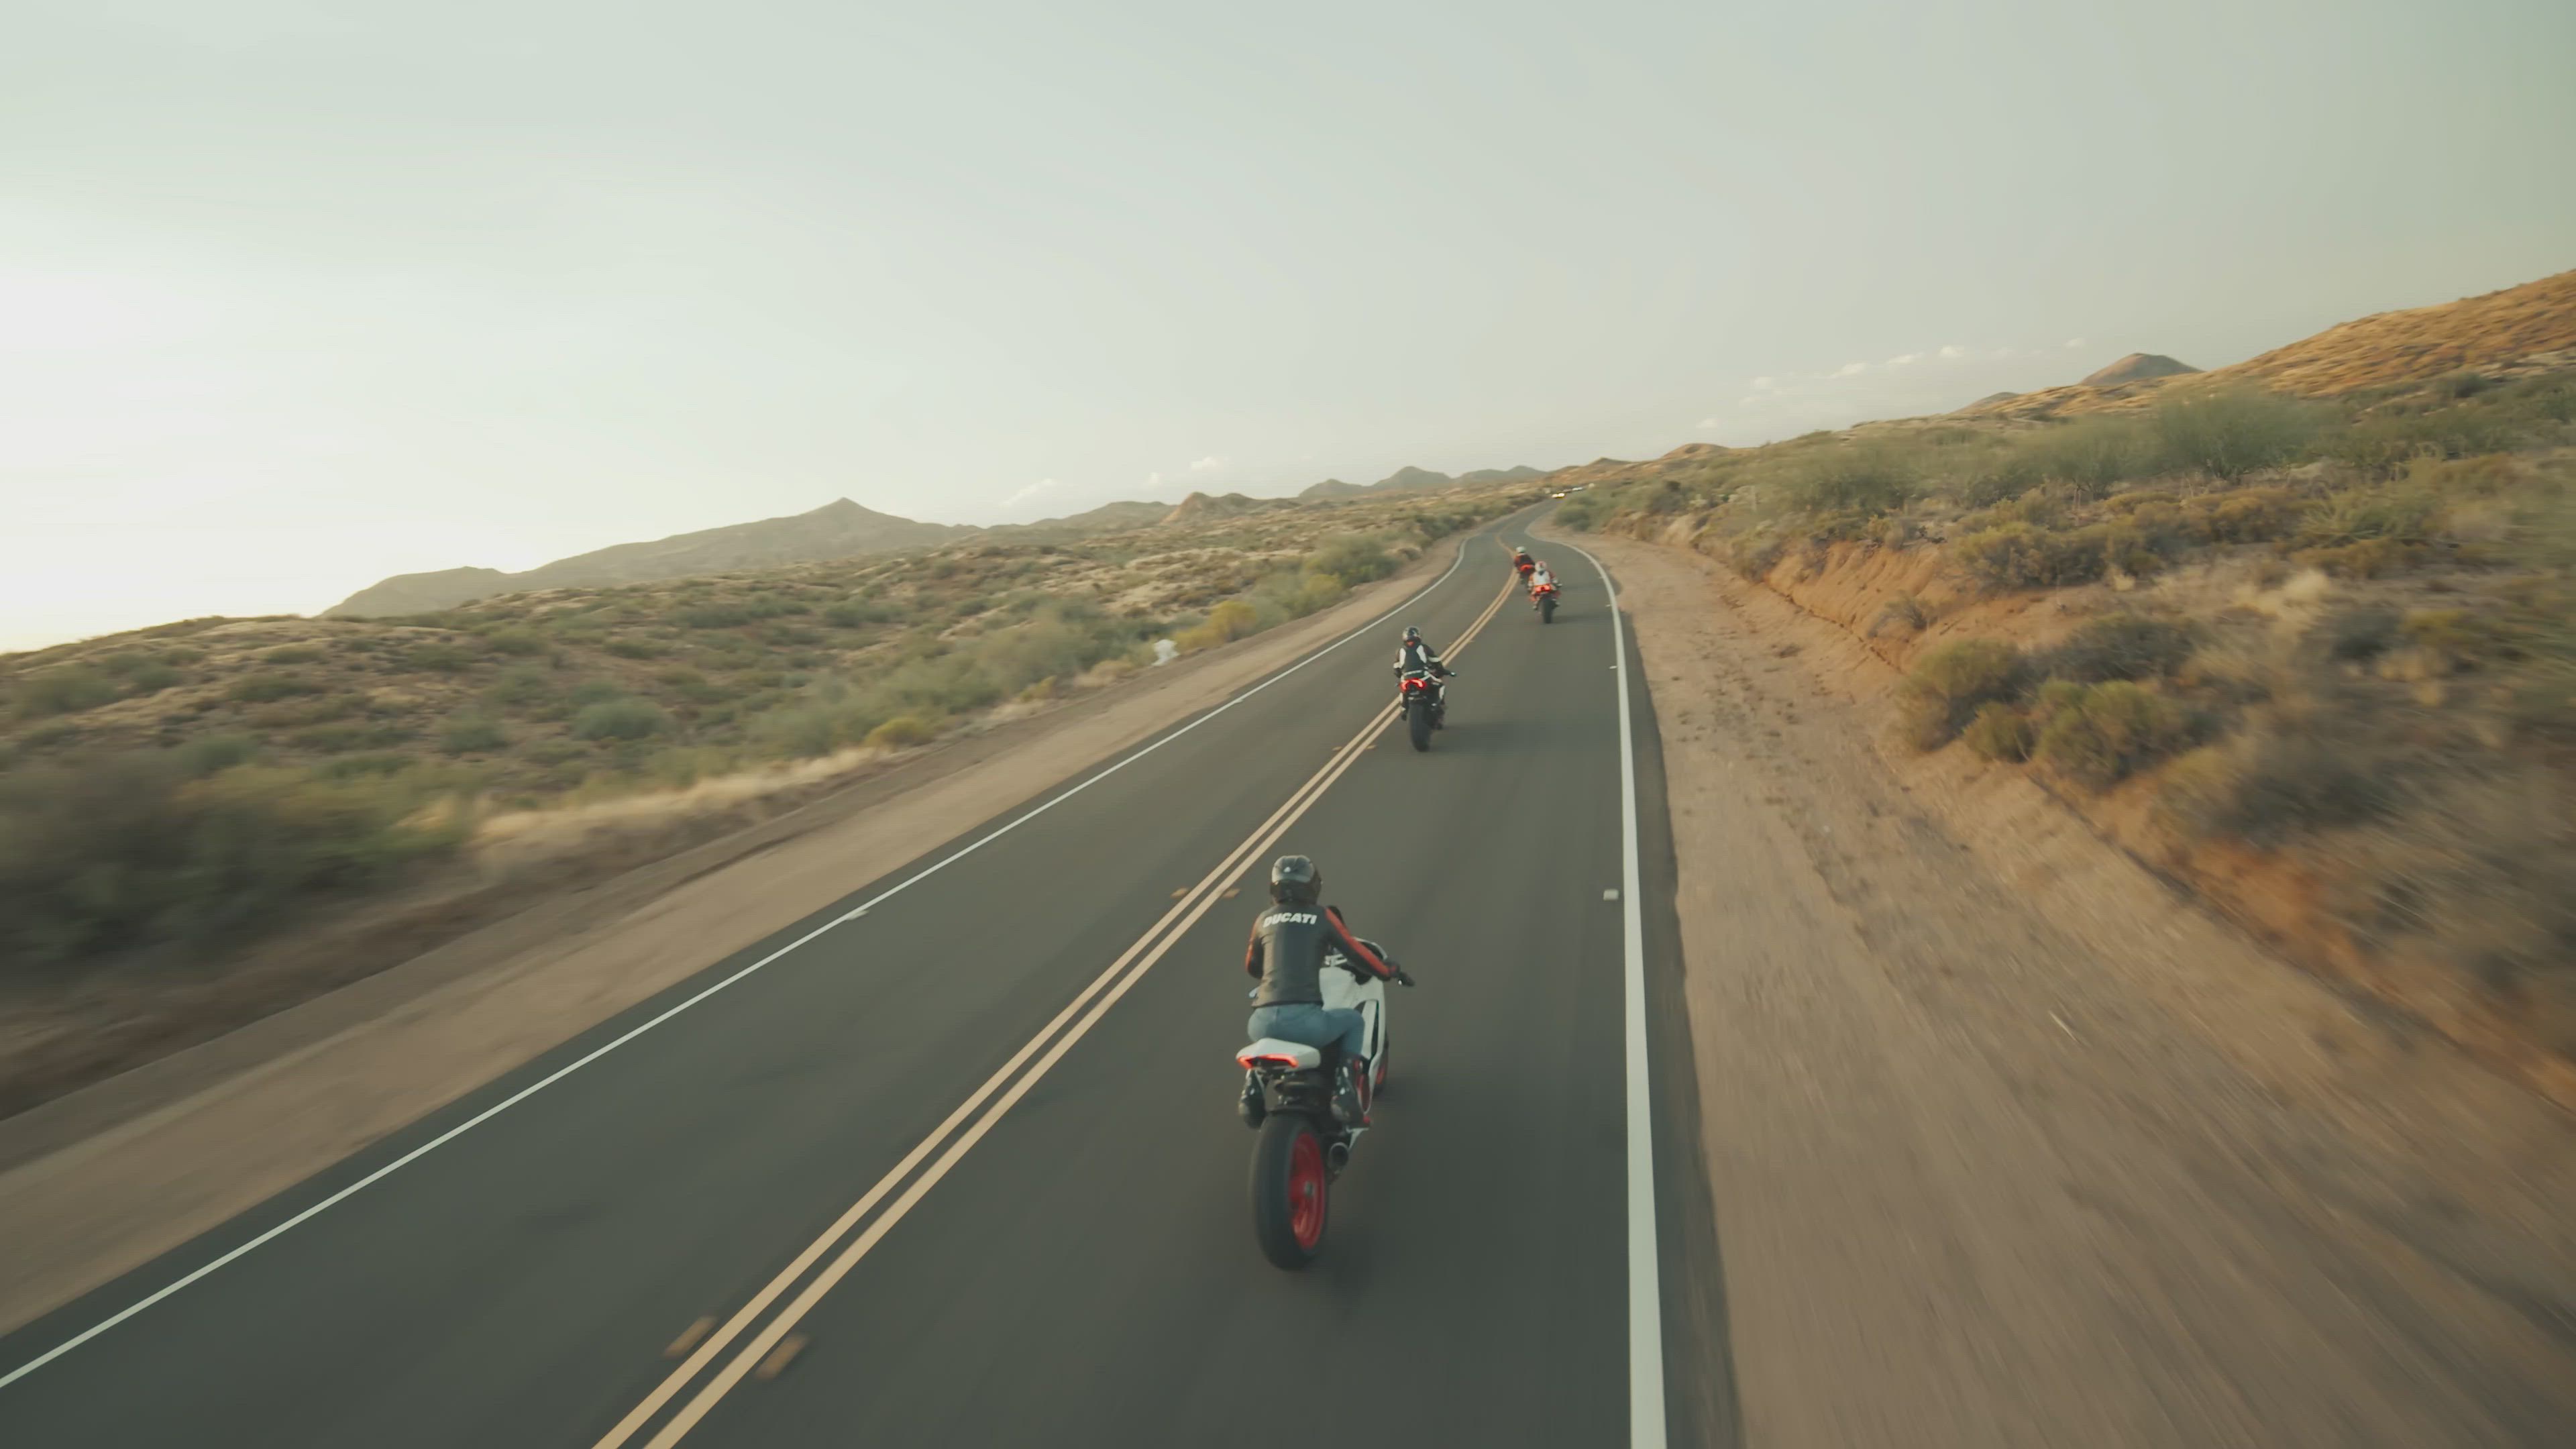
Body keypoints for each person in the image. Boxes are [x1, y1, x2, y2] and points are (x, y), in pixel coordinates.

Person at [1242, 855, 1407, 1124]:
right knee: (1353, 1021)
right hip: (1305, 1024)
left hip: (1259, 1024)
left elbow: (1252, 967)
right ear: (1313, 886)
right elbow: (1358, 955)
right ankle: (1344, 1091)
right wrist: (1387, 971)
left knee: (1267, 1036)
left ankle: (1253, 1086)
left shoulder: (1262, 920)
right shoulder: (1321, 916)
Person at [1393, 625, 1452, 724]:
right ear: (1418, 636)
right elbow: (1436, 661)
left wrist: (1401, 676)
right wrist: (1441, 671)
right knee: (1440, 685)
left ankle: (1404, 708)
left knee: (1403, 690)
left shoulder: (1399, 651)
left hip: (1407, 678)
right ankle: (1435, 704)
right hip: (1422, 676)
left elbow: (1396, 670)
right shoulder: (1424, 647)